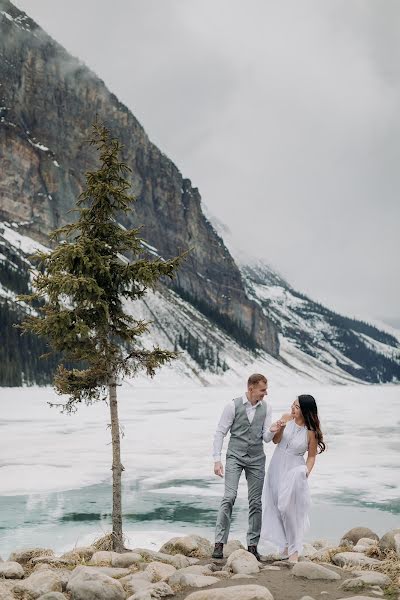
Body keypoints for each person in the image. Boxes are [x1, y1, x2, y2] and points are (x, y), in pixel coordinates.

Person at [212, 373, 275, 560]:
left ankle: (253, 546)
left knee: (255, 502)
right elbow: (220, 432)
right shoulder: (232, 406)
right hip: (235, 457)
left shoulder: (267, 408)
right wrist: (217, 459)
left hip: (257, 459)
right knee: (229, 497)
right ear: (251, 388)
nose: (265, 393)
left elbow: (265, 437)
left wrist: (273, 430)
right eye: (263, 390)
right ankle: (219, 543)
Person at [260, 394, 326, 562]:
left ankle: (295, 550)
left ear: (305, 410)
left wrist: (305, 473)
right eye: (293, 405)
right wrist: (280, 428)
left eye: (296, 407)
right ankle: (284, 545)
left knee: (289, 510)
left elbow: (311, 457)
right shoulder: (286, 418)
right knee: (275, 506)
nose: (292, 409)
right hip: (276, 466)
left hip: (294, 470)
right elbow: (275, 441)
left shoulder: (311, 432)